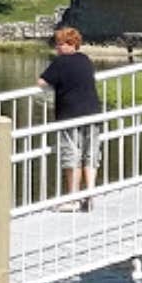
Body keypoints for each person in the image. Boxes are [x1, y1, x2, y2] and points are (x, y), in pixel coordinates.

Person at [37, 27, 101, 212]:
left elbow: (42, 82)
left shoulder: (60, 63)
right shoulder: (85, 59)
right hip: (93, 113)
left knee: (71, 155)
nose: (57, 47)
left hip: (70, 115)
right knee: (90, 154)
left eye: (60, 44)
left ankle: (73, 199)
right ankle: (90, 195)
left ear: (70, 44)